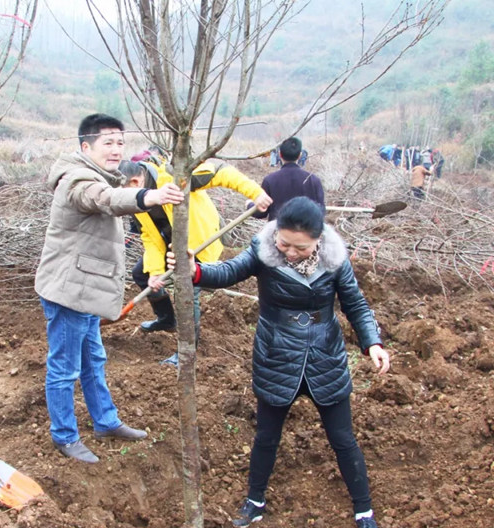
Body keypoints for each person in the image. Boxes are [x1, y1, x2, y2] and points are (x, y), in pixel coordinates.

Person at [167, 196, 391, 528]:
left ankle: (364, 512)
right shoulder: (264, 249)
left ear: (318, 240)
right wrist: (195, 271)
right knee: (266, 437)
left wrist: (372, 343)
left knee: (343, 438)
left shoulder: (336, 259)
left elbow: (355, 303)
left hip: (325, 356)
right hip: (277, 354)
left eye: (300, 248)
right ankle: (255, 501)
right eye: (284, 243)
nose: (290, 252)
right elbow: (228, 272)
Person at [34, 113, 184, 464]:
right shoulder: (77, 179)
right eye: (108, 143)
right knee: (64, 368)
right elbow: (104, 198)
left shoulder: (99, 175)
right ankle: (64, 436)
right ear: (86, 147)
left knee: (94, 360)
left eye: (120, 142)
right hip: (68, 291)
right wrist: (150, 196)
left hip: (88, 289)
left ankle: (105, 421)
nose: (116, 149)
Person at [119, 158, 271, 365]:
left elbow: (221, 171)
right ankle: (167, 319)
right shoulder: (138, 201)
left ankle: (186, 352)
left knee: (188, 292)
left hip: (199, 241)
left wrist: (256, 193)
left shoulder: (174, 177)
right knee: (141, 273)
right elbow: (149, 236)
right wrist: (155, 271)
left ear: (136, 182)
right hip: (171, 244)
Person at [256, 137, 324, 222]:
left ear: (280, 154)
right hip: (307, 229)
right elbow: (321, 211)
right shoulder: (314, 180)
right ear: (300, 155)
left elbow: (261, 213)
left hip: (279, 229)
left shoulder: (269, 180)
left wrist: (249, 204)